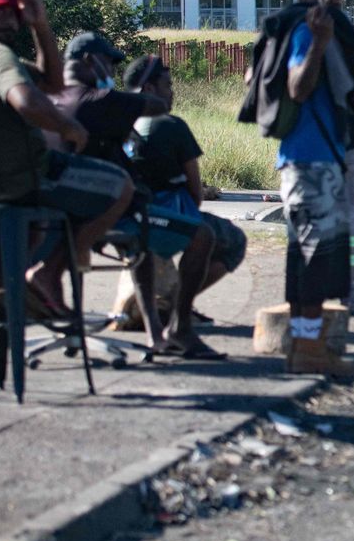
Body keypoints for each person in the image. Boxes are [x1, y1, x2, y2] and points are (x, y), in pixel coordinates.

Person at [0, 0, 134, 322]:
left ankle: (24, 289)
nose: (13, 20)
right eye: (4, 11)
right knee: (121, 187)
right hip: (24, 180)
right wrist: (68, 127)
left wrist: (41, 25)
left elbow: (53, 84)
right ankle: (48, 274)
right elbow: (29, 101)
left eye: (15, 13)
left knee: (53, 211)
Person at [51, 32, 224, 359]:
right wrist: (116, 99)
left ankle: (155, 335)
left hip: (64, 213)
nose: (112, 72)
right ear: (90, 62)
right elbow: (158, 105)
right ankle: (179, 330)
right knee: (202, 235)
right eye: (109, 64)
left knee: (142, 241)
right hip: (112, 214)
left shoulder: (52, 99)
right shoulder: (98, 100)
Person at [276, 0, 354, 376]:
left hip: (323, 158)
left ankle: (307, 342)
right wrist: (317, 43)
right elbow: (296, 89)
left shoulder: (326, 32)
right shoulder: (304, 32)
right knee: (311, 256)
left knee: (316, 254)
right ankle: (308, 346)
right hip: (306, 159)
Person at [119, 54, 249, 333]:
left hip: (126, 220)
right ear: (150, 90)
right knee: (231, 240)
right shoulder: (170, 125)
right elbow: (195, 195)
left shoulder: (119, 125)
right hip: (164, 219)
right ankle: (178, 306)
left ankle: (161, 305)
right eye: (167, 85)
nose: (172, 92)